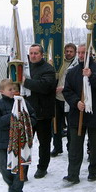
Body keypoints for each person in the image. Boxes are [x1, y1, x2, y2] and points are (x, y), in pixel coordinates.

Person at [62, 44, 96, 184]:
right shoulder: (72, 72)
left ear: (91, 54)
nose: (82, 56)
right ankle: (73, 175)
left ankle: (94, 172)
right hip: (78, 114)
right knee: (75, 147)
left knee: (95, 147)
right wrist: (76, 102)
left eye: (85, 53)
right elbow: (67, 91)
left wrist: (91, 76)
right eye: (80, 53)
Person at [0, 79, 36, 192]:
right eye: (10, 89)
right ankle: (12, 186)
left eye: (15, 89)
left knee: (20, 168)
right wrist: (13, 116)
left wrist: (26, 121)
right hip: (4, 142)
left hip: (21, 142)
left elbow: (33, 117)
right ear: (2, 91)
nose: (13, 92)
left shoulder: (23, 103)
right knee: (2, 165)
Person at [22, 44, 56, 178]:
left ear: (42, 55)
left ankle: (42, 167)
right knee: (25, 144)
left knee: (44, 143)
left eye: (36, 53)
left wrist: (26, 82)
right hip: (27, 113)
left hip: (43, 114)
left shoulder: (48, 69)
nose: (33, 56)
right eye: (31, 53)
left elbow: (45, 86)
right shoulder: (25, 67)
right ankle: (23, 171)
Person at [51, 43, 77, 157]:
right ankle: (57, 147)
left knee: (70, 124)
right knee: (56, 124)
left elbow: (77, 82)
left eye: (71, 51)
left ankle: (71, 147)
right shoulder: (59, 62)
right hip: (57, 98)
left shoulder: (76, 64)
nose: (68, 53)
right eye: (67, 51)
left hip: (69, 98)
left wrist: (64, 88)